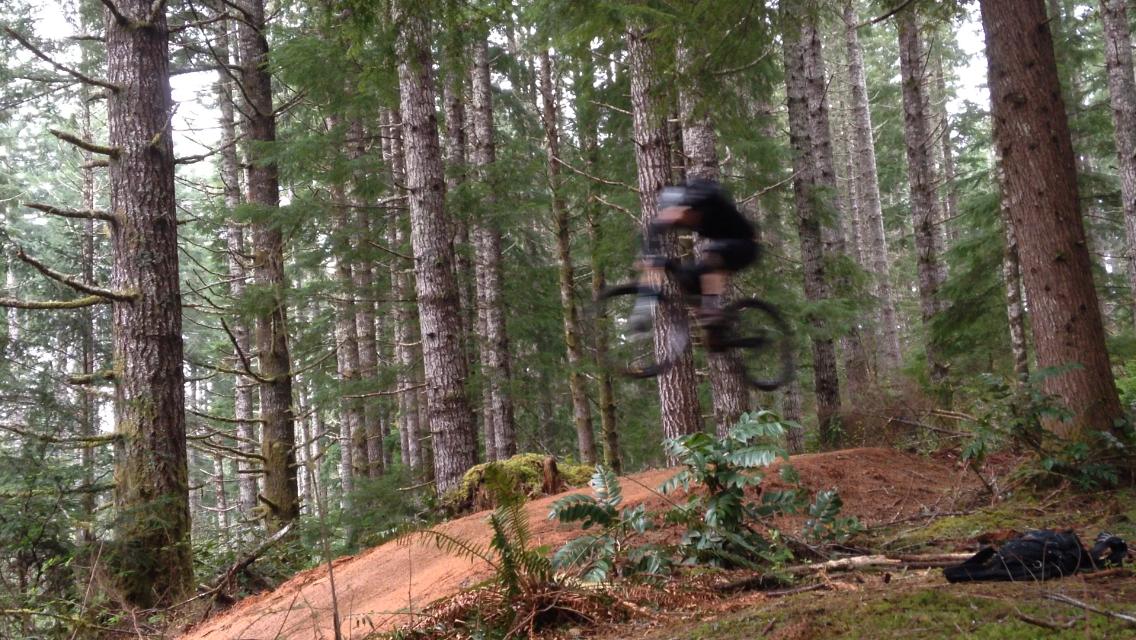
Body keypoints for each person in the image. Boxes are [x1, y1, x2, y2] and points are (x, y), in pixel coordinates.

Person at [632, 179, 758, 330]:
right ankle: (642, 314)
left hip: (745, 246)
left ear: (688, 206)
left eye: (679, 213)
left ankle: (711, 309)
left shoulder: (708, 203)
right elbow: (654, 229)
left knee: (712, 252)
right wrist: (648, 256)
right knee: (687, 277)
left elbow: (714, 190)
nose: (677, 219)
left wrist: (690, 195)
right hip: (724, 248)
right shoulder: (679, 216)